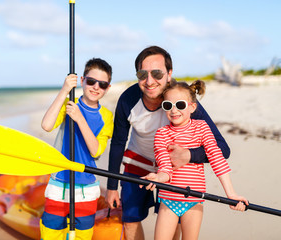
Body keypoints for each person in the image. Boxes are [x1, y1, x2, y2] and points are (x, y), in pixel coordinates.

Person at [106, 46, 230, 240]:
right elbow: (118, 142)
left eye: (157, 73)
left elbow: (223, 149)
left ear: (169, 73)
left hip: (174, 168)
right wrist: (112, 186)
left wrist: (190, 155)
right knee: (129, 220)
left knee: (174, 229)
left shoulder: (181, 100)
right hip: (136, 163)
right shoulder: (128, 99)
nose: (149, 81)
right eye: (142, 74)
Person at [140, 80, 248, 240]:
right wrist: (158, 178)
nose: (174, 110)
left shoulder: (202, 127)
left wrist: (231, 194)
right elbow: (165, 168)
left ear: (192, 107)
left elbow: (216, 157)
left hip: (194, 201)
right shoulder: (161, 134)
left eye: (180, 105)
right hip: (168, 199)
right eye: (168, 106)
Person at [40, 58, 114, 240]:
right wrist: (65, 90)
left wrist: (79, 118)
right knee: (51, 234)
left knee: (82, 236)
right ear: (82, 81)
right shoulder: (68, 103)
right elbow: (46, 125)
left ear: (107, 88)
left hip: (86, 189)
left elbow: (96, 151)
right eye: (91, 81)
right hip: (59, 183)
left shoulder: (106, 116)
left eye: (102, 84)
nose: (96, 87)